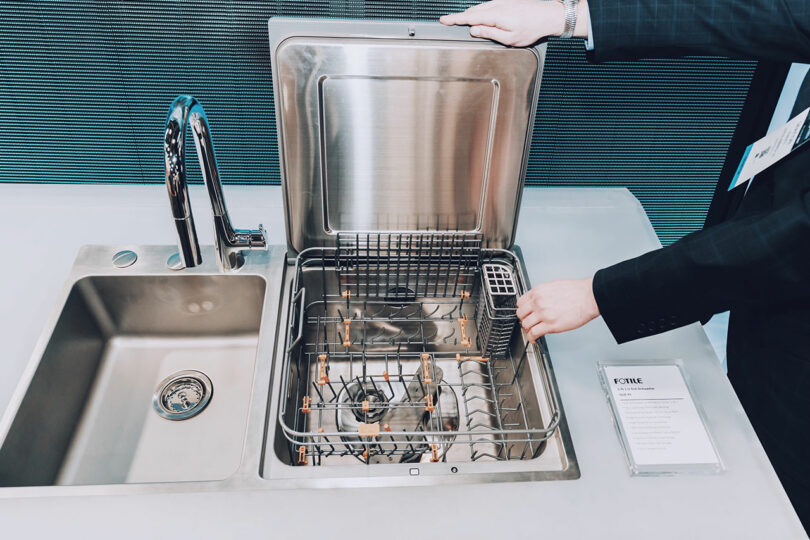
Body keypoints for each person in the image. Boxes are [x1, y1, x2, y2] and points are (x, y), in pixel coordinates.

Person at [442, 0, 810, 531]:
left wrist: (599, 294)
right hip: (754, 290)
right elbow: (761, 15)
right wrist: (570, 17)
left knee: (772, 497)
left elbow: (783, 245)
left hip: (795, 350)